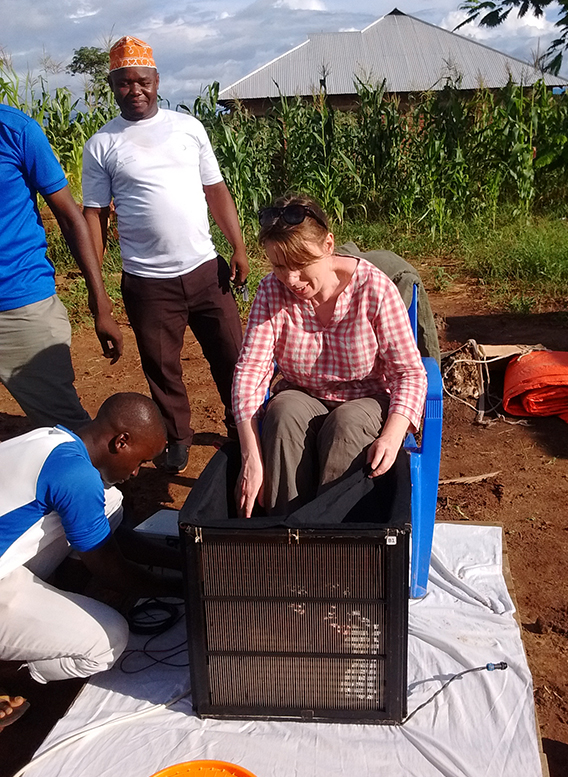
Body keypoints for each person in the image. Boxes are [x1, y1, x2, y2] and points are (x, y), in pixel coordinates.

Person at [82, 36, 248, 474]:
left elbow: (215, 190)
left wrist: (238, 245)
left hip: (205, 271)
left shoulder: (188, 128)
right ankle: (177, 438)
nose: (134, 90)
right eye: (123, 83)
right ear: (112, 86)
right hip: (147, 282)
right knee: (163, 368)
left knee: (233, 356)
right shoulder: (103, 144)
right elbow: (94, 216)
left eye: (141, 81)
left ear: (156, 80)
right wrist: (97, 292)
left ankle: (244, 426)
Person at [232, 195, 428, 518]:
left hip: (366, 399)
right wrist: (250, 456)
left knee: (346, 424)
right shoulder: (270, 292)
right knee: (281, 413)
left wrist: (393, 437)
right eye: (280, 266)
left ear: (328, 245)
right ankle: (284, 535)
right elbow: (250, 373)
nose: (291, 279)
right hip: (304, 395)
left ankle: (336, 544)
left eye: (300, 264)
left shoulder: (374, 289)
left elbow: (409, 372)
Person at [0, 392, 182, 683]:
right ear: (121, 441)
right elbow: (111, 568)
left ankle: (52, 603)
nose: (136, 472)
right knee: (108, 641)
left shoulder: (49, 439)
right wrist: (182, 588)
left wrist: (184, 560)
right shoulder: (77, 478)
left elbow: (111, 538)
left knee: (109, 501)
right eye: (140, 461)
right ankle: (9, 676)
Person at [0, 104, 123, 431]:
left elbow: (71, 218)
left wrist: (100, 304)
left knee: (68, 432)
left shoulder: (16, 131)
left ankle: (94, 483)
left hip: (21, 308)